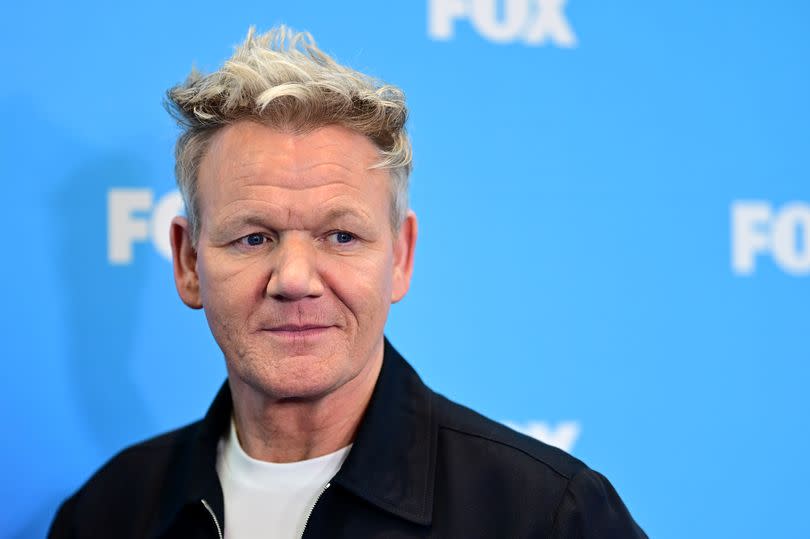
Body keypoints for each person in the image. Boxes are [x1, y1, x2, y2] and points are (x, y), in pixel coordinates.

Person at [49, 27, 647, 538]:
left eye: (341, 236)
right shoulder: (108, 513)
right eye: (253, 238)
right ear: (186, 262)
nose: (295, 280)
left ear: (402, 256)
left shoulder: (544, 517)